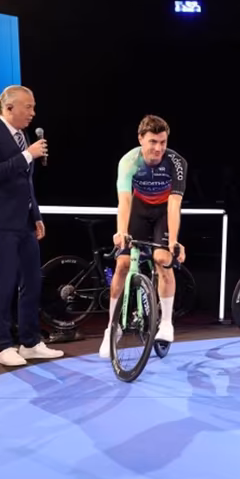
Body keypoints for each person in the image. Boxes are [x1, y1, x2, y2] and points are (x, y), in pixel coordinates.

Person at [0, 85, 64, 366]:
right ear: (9, 107)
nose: (33, 113)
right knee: (6, 281)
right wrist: (28, 155)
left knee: (32, 281)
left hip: (23, 221)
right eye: (29, 107)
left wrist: (35, 215)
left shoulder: (23, 136)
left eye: (33, 107)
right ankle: (3, 346)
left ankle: (30, 342)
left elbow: (26, 182)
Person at [99, 115, 187, 358]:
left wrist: (173, 241)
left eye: (163, 142)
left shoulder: (176, 162)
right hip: (139, 208)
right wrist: (121, 231)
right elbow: (125, 200)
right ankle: (111, 329)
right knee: (123, 264)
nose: (158, 148)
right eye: (152, 142)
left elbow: (174, 204)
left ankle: (166, 323)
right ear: (140, 139)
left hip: (163, 211)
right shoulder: (129, 161)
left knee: (162, 259)